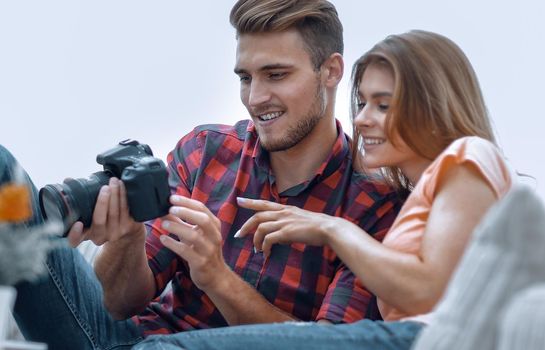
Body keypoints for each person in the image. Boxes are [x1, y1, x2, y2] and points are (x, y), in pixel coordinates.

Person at [13, 0, 400, 349]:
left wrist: (216, 277)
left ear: (331, 71)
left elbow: (327, 346)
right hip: (127, 339)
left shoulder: (374, 204)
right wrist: (127, 238)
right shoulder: (205, 151)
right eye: (246, 78)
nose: (255, 97)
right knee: (3, 168)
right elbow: (116, 305)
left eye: (276, 75)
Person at [132, 29, 517, 349]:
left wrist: (332, 229)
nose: (362, 119)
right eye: (363, 102)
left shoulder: (468, 156)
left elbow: (422, 291)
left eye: (383, 105)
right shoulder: (418, 197)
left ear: (434, 106)